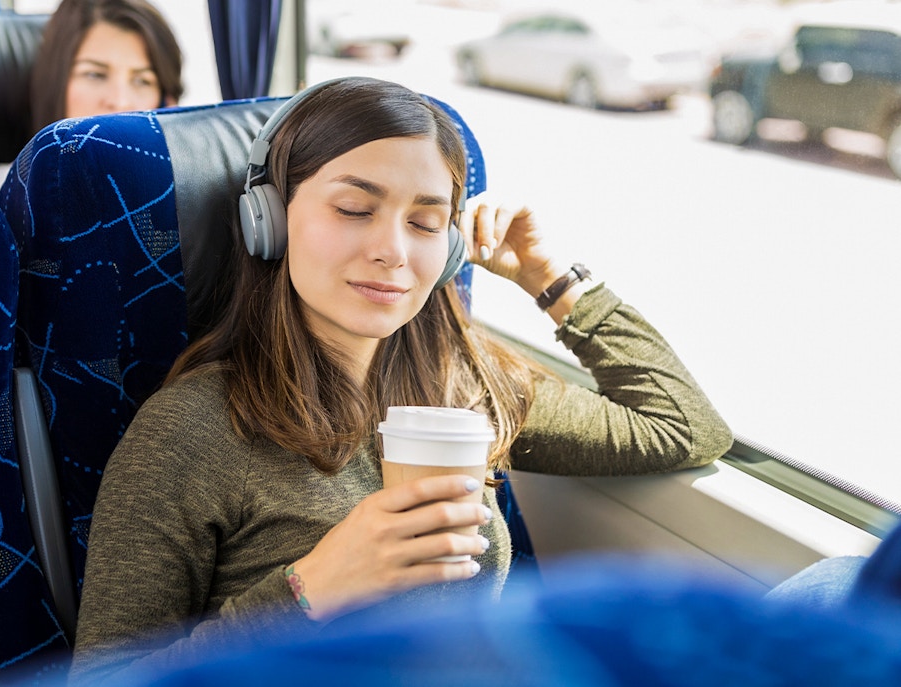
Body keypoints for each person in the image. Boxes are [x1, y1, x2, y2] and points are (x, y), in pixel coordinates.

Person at [69, 76, 734, 684]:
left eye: (424, 222)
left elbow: (682, 426)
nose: (392, 250)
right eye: (355, 208)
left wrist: (551, 280)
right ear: (268, 218)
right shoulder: (193, 432)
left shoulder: (463, 386)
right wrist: (310, 592)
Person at [0, 0, 183, 195]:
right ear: (54, 84)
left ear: (166, 102)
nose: (120, 101)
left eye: (142, 81)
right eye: (95, 75)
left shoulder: (191, 202)